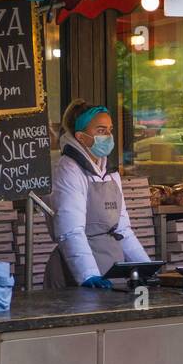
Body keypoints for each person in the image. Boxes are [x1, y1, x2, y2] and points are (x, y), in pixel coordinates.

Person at [45, 99, 151, 289]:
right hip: (76, 273)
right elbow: (70, 231)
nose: (108, 136)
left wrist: (146, 268)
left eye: (109, 130)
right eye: (100, 130)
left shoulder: (110, 172)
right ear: (80, 136)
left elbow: (123, 230)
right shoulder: (68, 169)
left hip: (113, 270)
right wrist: (88, 275)